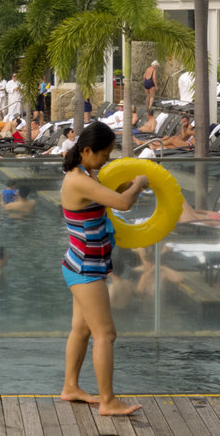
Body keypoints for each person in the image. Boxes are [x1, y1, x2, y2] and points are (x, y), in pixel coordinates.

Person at [60, 121, 147, 415]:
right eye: (104, 155)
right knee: (105, 334)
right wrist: (140, 182)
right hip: (86, 267)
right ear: (87, 151)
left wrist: (126, 183)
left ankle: (70, 387)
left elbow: (108, 192)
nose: (107, 160)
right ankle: (108, 401)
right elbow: (123, 203)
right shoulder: (79, 180)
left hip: (80, 262)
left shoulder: (85, 174)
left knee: (81, 330)